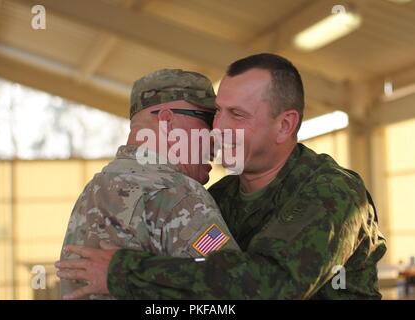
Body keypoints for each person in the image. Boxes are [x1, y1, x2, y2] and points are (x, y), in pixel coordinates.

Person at [56, 53, 387, 299]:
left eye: (236, 115)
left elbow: (272, 286)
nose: (218, 129)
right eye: (216, 113)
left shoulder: (331, 192)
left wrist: (121, 271)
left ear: (284, 125)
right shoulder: (220, 195)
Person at [59, 68, 239, 299]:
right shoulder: (177, 193)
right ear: (167, 121)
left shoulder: (95, 190)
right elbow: (235, 290)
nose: (216, 135)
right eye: (208, 121)